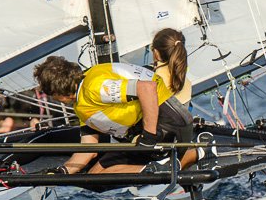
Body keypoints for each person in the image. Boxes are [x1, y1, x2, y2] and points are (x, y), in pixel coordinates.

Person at [33, 28, 196, 174]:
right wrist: (63, 171)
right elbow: (89, 148)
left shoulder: (94, 87)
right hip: (161, 125)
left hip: (166, 124)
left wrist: (149, 137)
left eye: (52, 95)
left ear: (57, 92)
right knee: (95, 176)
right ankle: (170, 164)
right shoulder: (82, 98)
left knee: (99, 175)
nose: (54, 99)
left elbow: (147, 88)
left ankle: (169, 166)